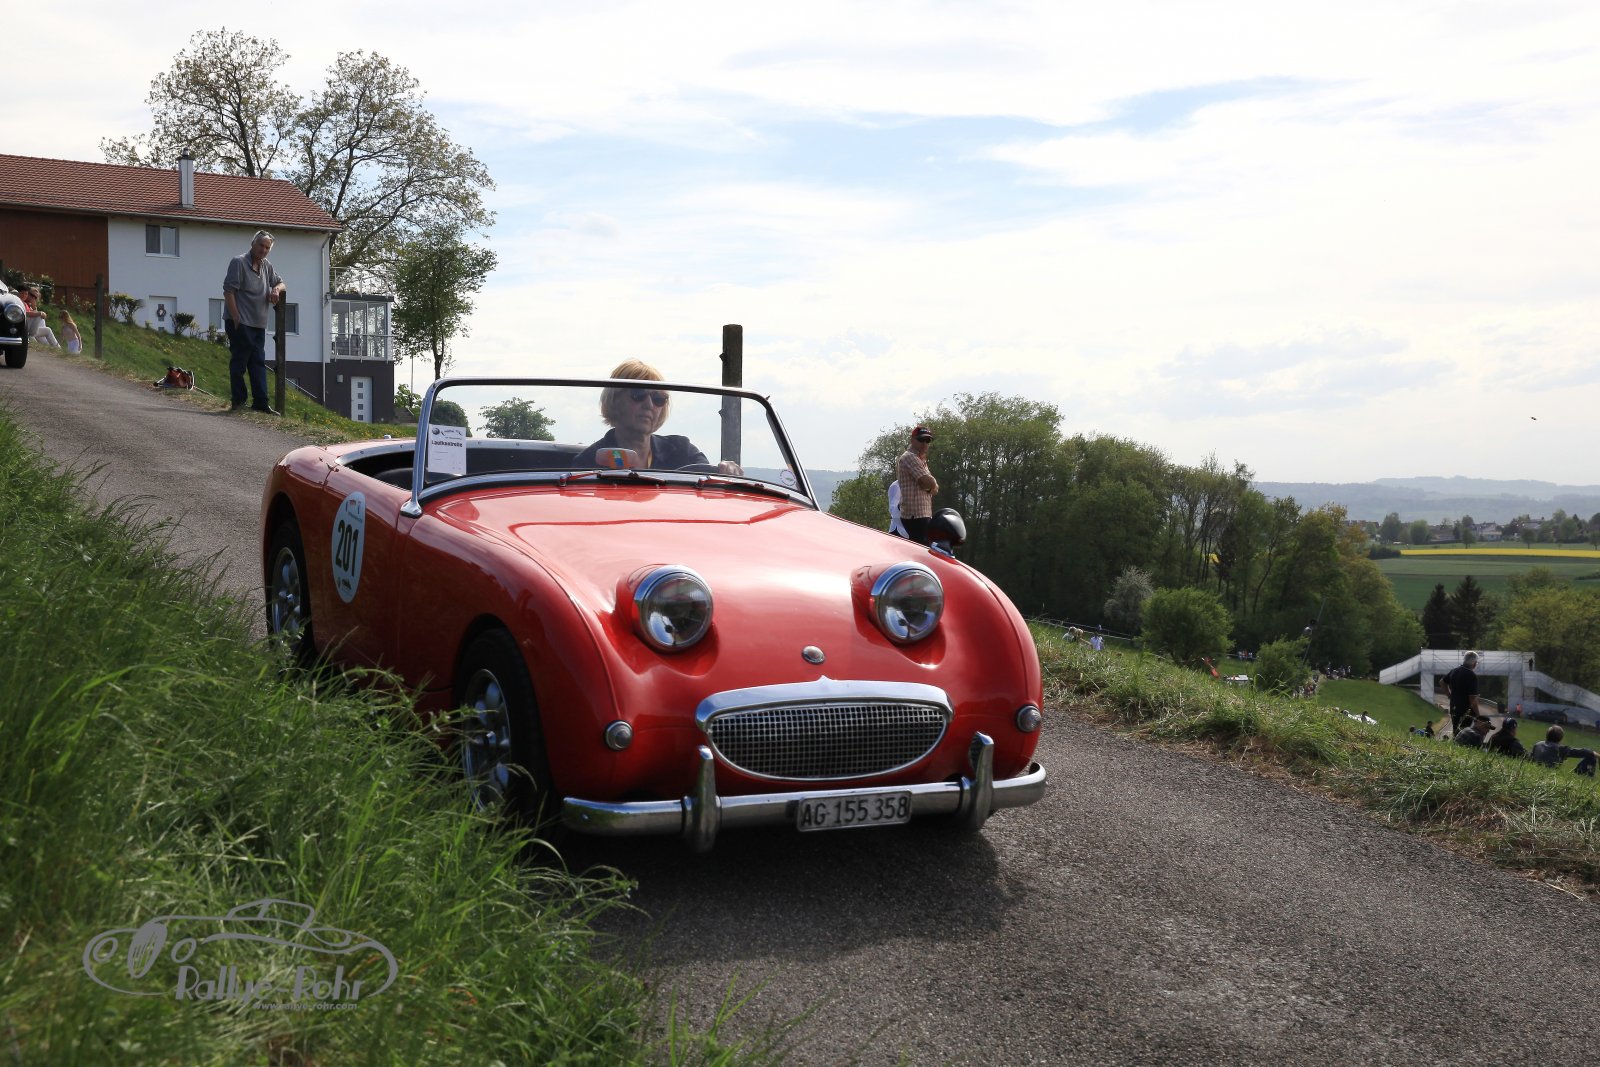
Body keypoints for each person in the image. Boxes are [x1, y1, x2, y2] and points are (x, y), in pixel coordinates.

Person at [573, 359, 737, 472]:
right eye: (638, 395)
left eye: (658, 399)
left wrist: (726, 471)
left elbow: (708, 488)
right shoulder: (587, 463)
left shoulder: (682, 451)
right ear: (614, 400)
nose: (649, 405)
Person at [223, 229, 286, 414]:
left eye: (267, 248)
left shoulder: (267, 266)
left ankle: (261, 403)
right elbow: (228, 291)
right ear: (253, 244)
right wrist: (236, 317)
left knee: (258, 363)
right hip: (240, 322)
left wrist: (276, 289)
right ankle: (239, 401)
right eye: (261, 245)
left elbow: (282, 283)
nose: (263, 250)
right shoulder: (239, 262)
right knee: (240, 362)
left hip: (259, 324)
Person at [896, 425, 939, 546]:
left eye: (928, 440)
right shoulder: (910, 457)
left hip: (922, 514)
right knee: (922, 549)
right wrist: (930, 484)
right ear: (912, 440)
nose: (925, 443)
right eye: (921, 439)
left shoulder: (920, 459)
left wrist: (930, 485)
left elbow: (934, 488)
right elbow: (929, 483)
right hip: (915, 515)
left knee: (923, 548)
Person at [1529, 725, 1598, 776]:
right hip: (1550, 776)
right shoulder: (1560, 749)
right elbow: (1583, 752)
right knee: (1592, 757)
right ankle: (1588, 777)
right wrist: (1597, 755)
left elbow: (1530, 759)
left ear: (1547, 735)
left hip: (1536, 773)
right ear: (1561, 738)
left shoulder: (1537, 744)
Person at [1440, 652, 1481, 734]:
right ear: (1474, 663)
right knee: (1464, 734)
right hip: (1466, 711)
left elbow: (1442, 682)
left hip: (1454, 707)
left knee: (1456, 731)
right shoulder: (1472, 675)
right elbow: (1472, 699)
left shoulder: (1454, 671)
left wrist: (1449, 695)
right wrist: (1478, 715)